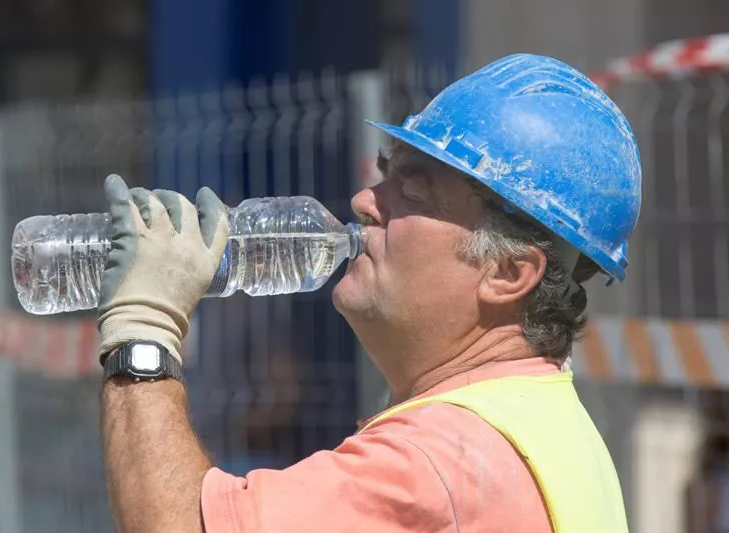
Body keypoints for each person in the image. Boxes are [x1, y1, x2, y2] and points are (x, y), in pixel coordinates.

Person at [98, 53, 641, 532]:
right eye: (385, 174)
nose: (363, 199)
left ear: (507, 272)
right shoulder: (537, 425)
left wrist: (143, 326)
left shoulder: (438, 463)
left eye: (411, 190)